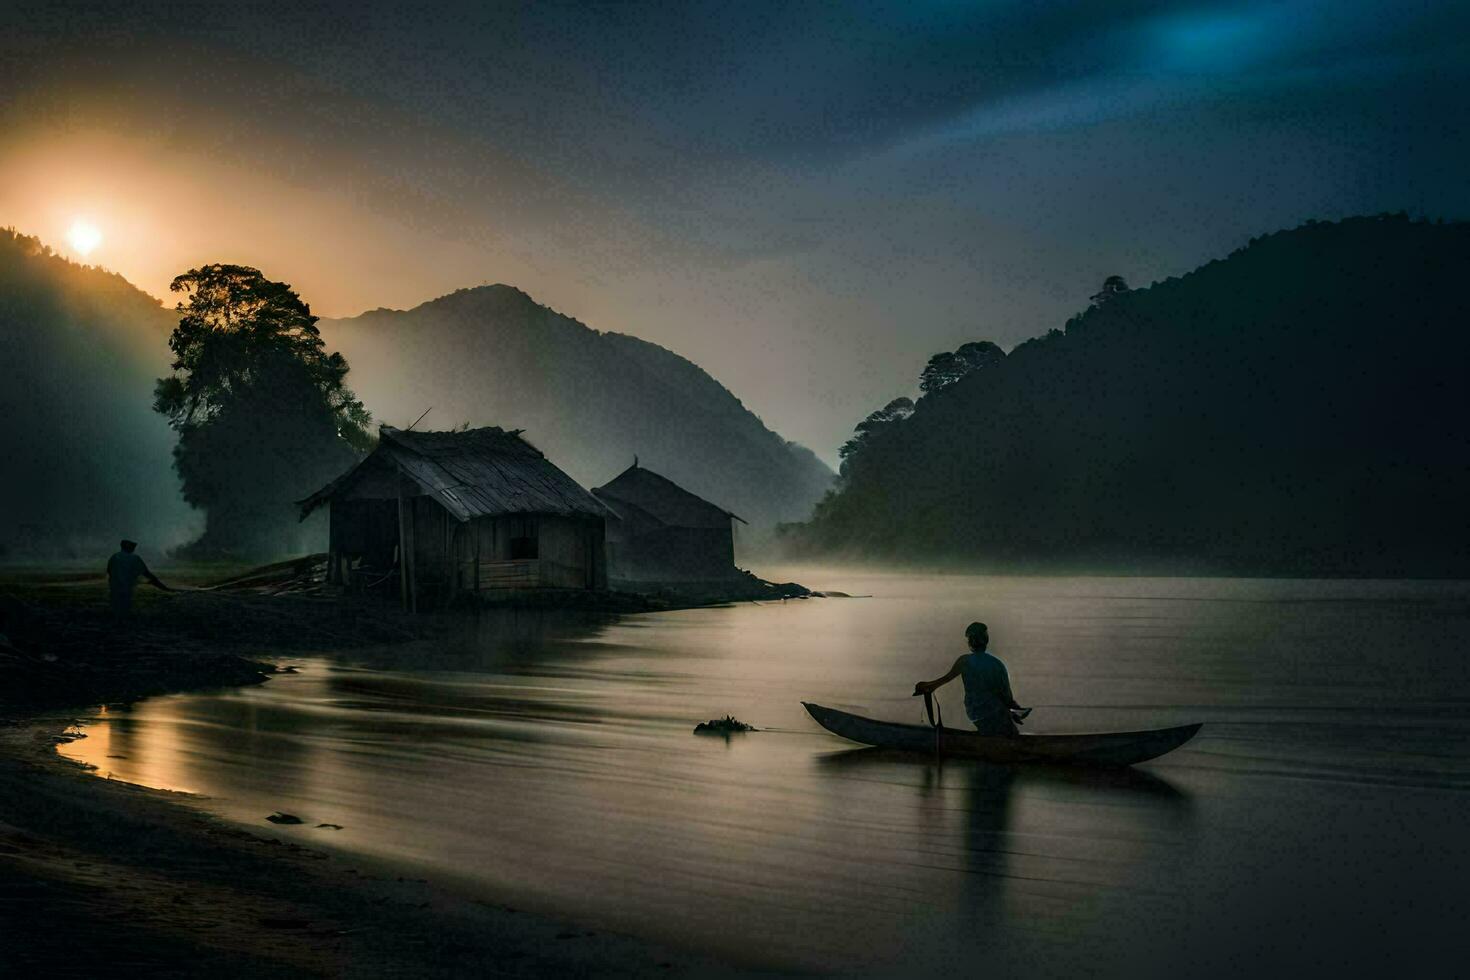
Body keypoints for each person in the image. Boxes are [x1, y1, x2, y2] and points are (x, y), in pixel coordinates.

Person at [913, 622, 1030, 735]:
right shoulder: (997, 664)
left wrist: (927, 685)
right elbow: (1006, 695)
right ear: (986, 641)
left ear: (970, 642)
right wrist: (1015, 711)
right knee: (1012, 735)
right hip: (994, 712)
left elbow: (944, 680)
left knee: (994, 732)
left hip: (975, 713)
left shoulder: (964, 661)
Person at [106, 539, 171, 617]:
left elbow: (109, 571)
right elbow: (146, 573)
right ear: (129, 547)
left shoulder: (114, 557)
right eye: (133, 547)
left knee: (116, 607)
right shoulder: (134, 558)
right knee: (125, 607)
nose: (134, 549)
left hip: (114, 587)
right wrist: (160, 585)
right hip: (126, 587)